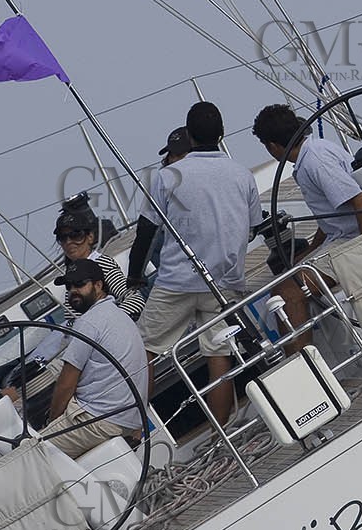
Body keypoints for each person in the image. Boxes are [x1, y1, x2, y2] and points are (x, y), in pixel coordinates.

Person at [127, 101, 264, 425]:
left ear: (189, 135)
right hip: (226, 281)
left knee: (143, 347)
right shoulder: (241, 174)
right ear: (222, 133)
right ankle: (221, 428)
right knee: (218, 351)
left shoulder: (167, 176)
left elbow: (145, 233)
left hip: (177, 282)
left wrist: (134, 279)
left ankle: (136, 429)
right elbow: (253, 227)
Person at [251, 103, 362, 349]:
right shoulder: (316, 150)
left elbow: (359, 200)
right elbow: (333, 214)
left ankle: (305, 368)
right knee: (288, 274)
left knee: (286, 293)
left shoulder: (314, 161)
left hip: (353, 242)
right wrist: (311, 250)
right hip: (342, 237)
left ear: (273, 146)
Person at [23, 258, 149, 459]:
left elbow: (66, 383)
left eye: (80, 284)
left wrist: (53, 423)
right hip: (128, 419)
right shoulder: (118, 315)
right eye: (69, 286)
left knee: (28, 457)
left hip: (101, 421)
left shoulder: (89, 322)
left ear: (98, 285)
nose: (73, 290)